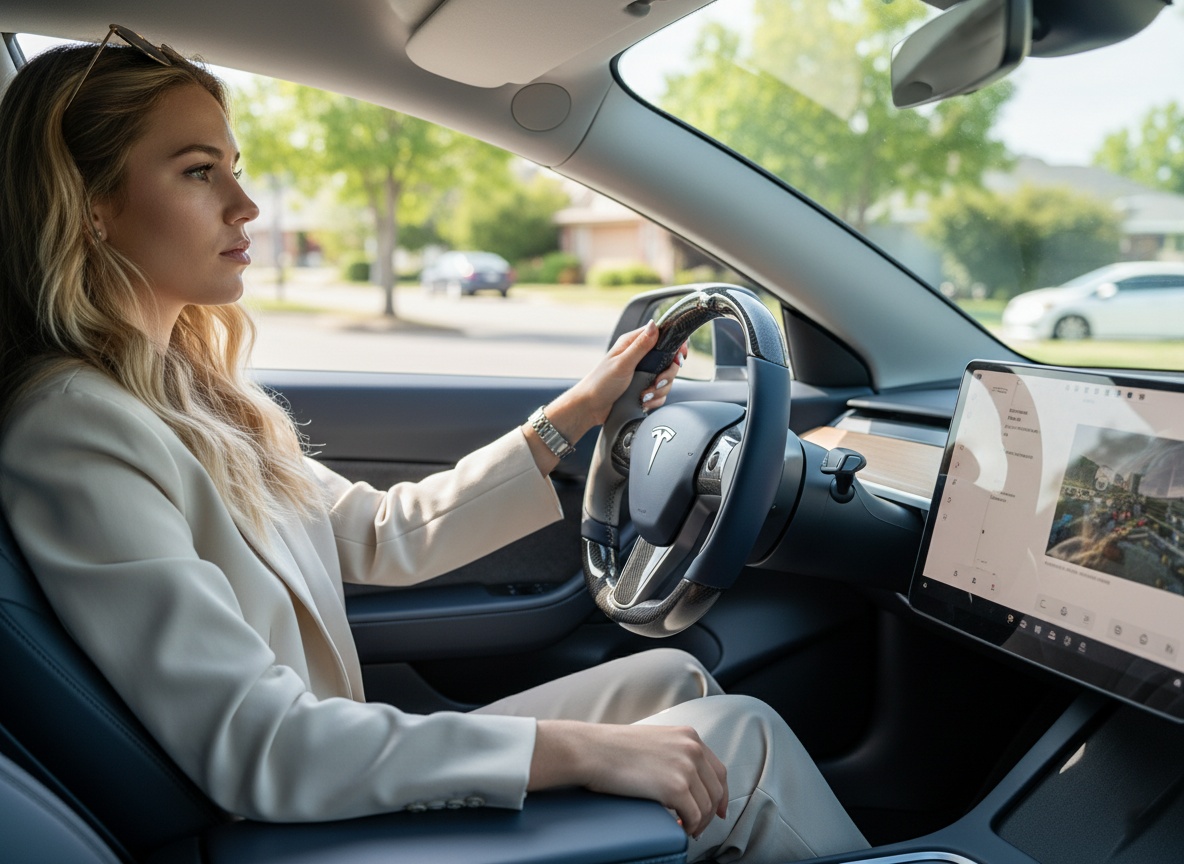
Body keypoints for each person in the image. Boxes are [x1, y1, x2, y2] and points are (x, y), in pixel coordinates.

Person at [0, 34, 867, 863]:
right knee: (736, 739)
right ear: (93, 209)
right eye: (198, 171)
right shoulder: (76, 427)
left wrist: (575, 414)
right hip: (286, 822)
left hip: (320, 781)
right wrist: (578, 753)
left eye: (236, 168)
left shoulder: (183, 391)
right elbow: (260, 746)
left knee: (671, 684)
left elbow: (384, 533)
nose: (246, 205)